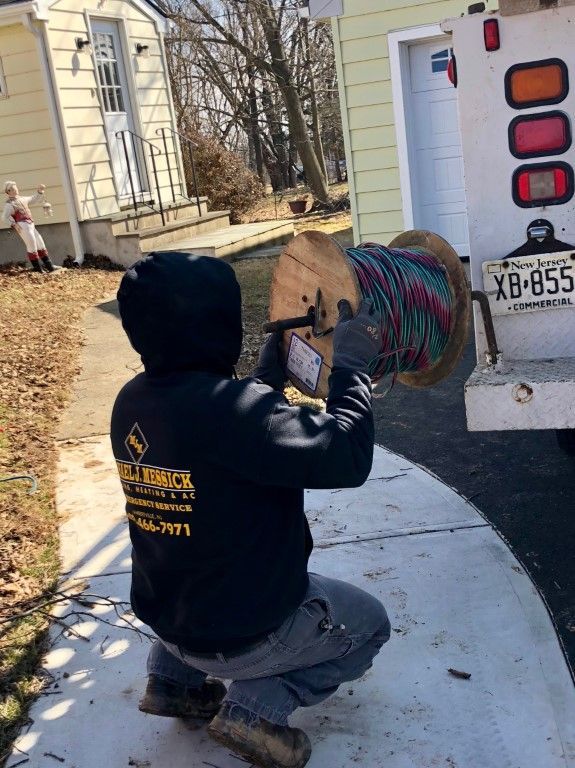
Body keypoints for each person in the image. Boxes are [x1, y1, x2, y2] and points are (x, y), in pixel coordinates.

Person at [110, 251, 391, 768]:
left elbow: (217, 436)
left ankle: (173, 684)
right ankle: (257, 710)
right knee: (371, 625)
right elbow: (347, 457)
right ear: (220, 327)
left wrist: (260, 386)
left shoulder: (131, 401)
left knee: (194, 563)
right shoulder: (243, 417)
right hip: (248, 637)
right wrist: (352, 370)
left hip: (171, 624)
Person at [2, 181, 54, 273]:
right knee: (32, 245)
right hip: (23, 226)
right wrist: (14, 224)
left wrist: (39, 191)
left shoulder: (22, 199)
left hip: (31, 224)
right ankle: (38, 269)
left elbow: (33, 199)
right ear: (8, 192)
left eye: (15, 187)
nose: (15, 190)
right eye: (12, 189)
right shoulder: (9, 204)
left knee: (40, 243)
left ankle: (49, 266)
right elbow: (4, 217)